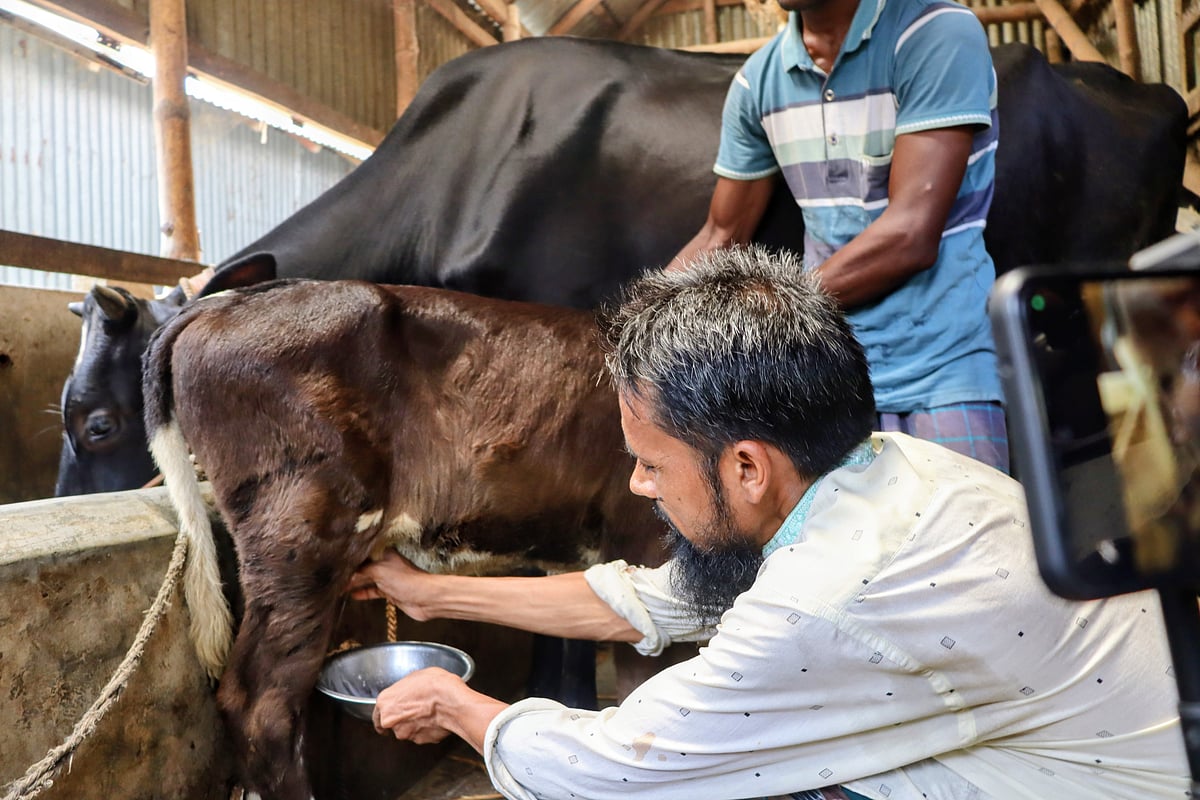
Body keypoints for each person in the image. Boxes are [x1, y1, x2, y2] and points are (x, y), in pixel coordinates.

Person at [348, 247, 1187, 800]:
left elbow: (618, 767)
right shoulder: (888, 467)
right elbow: (651, 601)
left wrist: (460, 707)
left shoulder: (825, 599)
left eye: (652, 463)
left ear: (747, 467)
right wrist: (428, 594)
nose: (639, 484)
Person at [670, 0, 1008, 472]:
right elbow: (721, 234)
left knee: (966, 518)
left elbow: (911, 234)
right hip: (827, 384)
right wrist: (642, 322)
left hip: (943, 369)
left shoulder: (935, 33)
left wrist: (773, 310)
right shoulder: (758, 81)